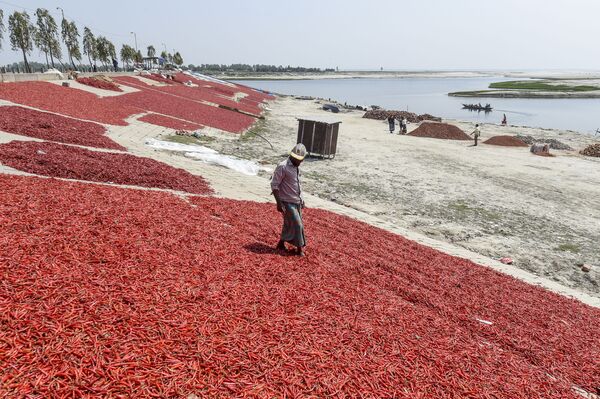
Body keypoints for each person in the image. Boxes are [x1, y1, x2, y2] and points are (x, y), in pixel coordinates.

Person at [271, 143, 307, 256]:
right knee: (297, 224)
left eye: (300, 160)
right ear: (292, 156)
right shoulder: (283, 166)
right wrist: (278, 203)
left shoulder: (296, 168)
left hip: (296, 201)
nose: (299, 162)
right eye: (297, 159)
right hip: (286, 201)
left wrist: (302, 199)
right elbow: (274, 185)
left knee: (289, 223)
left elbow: (297, 184)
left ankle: (281, 244)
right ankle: (299, 250)